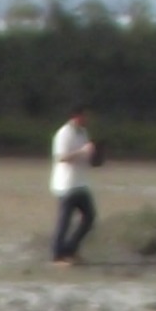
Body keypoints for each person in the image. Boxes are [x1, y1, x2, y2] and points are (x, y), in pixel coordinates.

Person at [50, 108, 100, 265]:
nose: (88, 118)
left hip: (80, 183)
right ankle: (57, 256)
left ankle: (70, 250)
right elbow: (61, 157)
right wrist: (82, 151)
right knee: (64, 222)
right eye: (85, 115)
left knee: (90, 217)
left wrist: (94, 156)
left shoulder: (83, 132)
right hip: (66, 185)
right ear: (76, 116)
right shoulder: (64, 133)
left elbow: (85, 155)